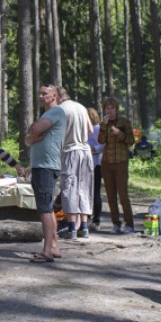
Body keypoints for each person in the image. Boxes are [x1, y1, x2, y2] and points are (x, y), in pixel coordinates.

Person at [25, 85, 66, 263]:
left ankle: (47, 252)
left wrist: (33, 134)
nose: (41, 97)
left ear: (54, 96)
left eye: (45, 94)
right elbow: (29, 138)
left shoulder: (56, 112)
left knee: (45, 209)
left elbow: (33, 131)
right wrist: (32, 136)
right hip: (41, 166)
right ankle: (54, 247)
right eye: (39, 93)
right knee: (47, 207)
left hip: (46, 166)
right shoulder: (46, 114)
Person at [54, 87, 94, 239]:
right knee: (84, 187)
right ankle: (83, 227)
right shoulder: (81, 107)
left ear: (57, 97)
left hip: (70, 151)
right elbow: (90, 130)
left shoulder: (60, 110)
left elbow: (57, 135)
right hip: (85, 151)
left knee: (69, 188)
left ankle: (71, 228)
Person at [98, 97, 135, 234]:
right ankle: (116, 224)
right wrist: (103, 126)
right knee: (111, 196)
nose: (109, 110)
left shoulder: (124, 122)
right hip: (106, 163)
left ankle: (129, 224)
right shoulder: (104, 123)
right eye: (107, 108)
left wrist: (119, 134)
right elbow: (100, 141)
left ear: (116, 109)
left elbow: (131, 140)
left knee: (123, 195)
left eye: (112, 108)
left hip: (121, 162)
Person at [87, 107, 104, 231]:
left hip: (97, 164)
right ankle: (86, 217)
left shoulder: (98, 128)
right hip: (85, 164)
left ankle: (96, 220)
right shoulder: (84, 129)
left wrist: (93, 148)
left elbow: (103, 145)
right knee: (86, 192)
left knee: (96, 192)